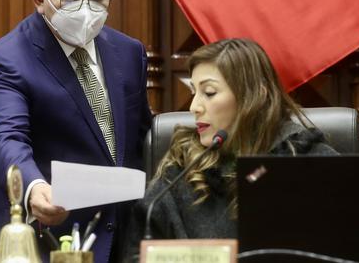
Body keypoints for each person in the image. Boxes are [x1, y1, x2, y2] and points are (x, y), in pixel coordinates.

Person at [0, 0, 152, 263]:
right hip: (42, 232)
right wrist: (32, 188)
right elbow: (4, 139)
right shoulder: (4, 59)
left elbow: (141, 139)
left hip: (117, 233)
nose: (85, 9)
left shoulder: (129, 52)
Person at [123, 38, 338, 260]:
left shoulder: (312, 162)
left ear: (256, 96)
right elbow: (136, 255)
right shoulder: (180, 171)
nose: (194, 107)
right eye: (194, 92)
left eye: (209, 92)